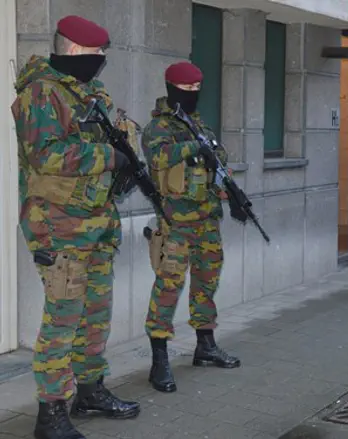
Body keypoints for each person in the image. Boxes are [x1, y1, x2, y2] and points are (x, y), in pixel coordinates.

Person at [10, 15, 141, 439]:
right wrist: (109, 157)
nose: (101, 60)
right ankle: (50, 414)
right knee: (63, 318)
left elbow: (104, 140)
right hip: (58, 226)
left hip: (97, 222)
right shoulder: (40, 93)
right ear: (70, 50)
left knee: (95, 314)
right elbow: (46, 155)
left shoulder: (89, 92)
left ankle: (90, 389)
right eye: (94, 53)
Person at [141, 62, 241, 394]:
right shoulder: (159, 127)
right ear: (172, 89)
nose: (193, 96)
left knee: (207, 280)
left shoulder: (198, 123)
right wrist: (195, 147)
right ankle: (159, 359)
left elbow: (218, 159)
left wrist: (228, 188)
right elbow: (158, 158)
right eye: (187, 91)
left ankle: (206, 345)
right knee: (168, 286)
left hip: (206, 219)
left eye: (198, 91)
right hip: (176, 223)